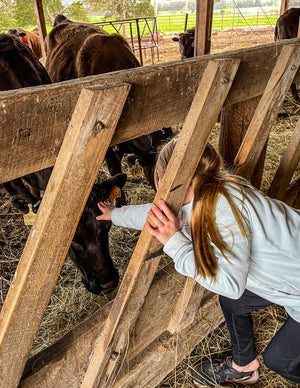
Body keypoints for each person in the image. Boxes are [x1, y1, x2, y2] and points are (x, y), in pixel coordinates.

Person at [97, 138, 300, 386]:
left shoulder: (224, 210)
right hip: (288, 280)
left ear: (163, 180)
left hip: (296, 290)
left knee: (280, 360)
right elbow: (159, 213)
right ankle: (244, 366)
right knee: (234, 303)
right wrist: (114, 214)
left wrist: (175, 243)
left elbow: (231, 284)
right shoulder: (212, 189)